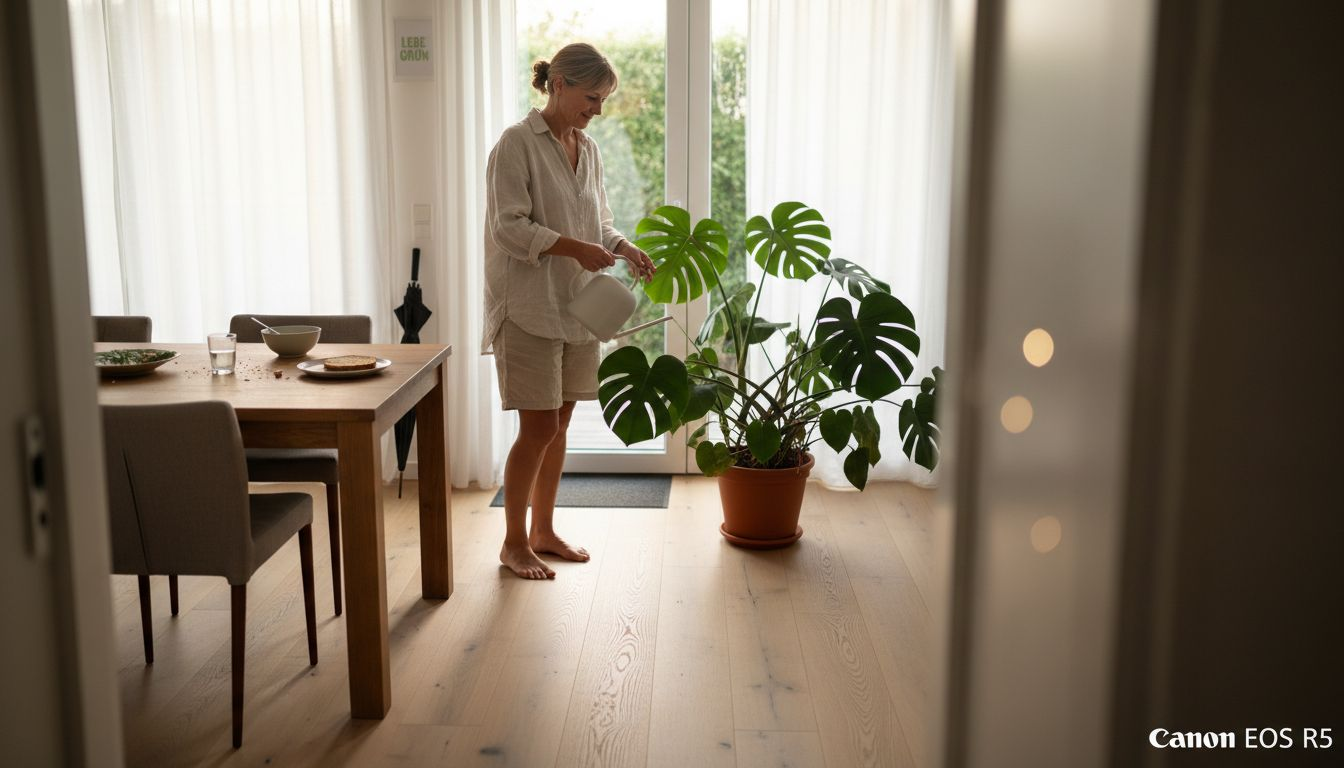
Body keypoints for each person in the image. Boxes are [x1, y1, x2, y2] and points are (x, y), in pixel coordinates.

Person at [482, 43, 656, 580]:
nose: (598, 109)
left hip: (577, 308)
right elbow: (508, 227)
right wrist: (574, 248)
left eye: (603, 100)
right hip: (529, 308)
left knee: (558, 426)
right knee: (536, 428)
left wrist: (623, 247)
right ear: (558, 83)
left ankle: (543, 530)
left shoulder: (589, 148)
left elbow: (597, 222)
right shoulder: (515, 145)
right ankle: (513, 543)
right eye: (592, 97)